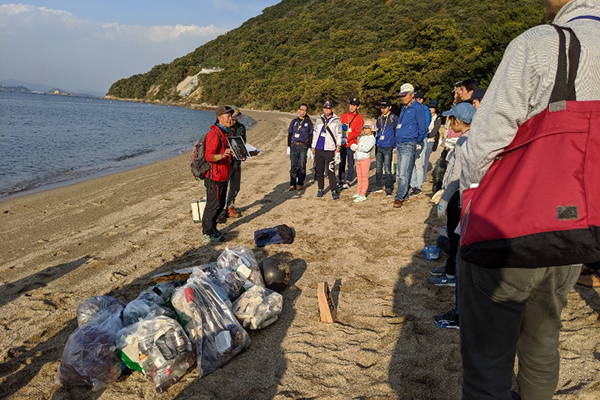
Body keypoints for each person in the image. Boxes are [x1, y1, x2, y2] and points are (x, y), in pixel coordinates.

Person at [458, 1, 600, 398]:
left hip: (512, 225)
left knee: (488, 358)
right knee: (543, 340)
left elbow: (484, 144)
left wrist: (467, 198)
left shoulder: (544, 42)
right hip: (577, 229)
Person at [202, 105, 235, 243]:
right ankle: (207, 233)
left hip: (222, 175)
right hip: (213, 177)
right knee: (213, 205)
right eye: (227, 116)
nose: (230, 118)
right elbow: (208, 156)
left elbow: (226, 153)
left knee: (220, 204)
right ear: (219, 117)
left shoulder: (225, 133)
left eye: (230, 115)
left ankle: (213, 229)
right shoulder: (214, 134)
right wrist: (222, 155)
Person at [393, 83, 427, 208]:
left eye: (405, 95)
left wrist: (416, 140)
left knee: (403, 172)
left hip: (409, 141)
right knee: (401, 171)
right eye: (401, 95)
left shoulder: (418, 108)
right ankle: (405, 194)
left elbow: (422, 127)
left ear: (412, 95)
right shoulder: (404, 107)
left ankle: (399, 197)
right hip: (400, 141)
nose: (402, 98)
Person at [218, 106, 249, 222]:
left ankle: (230, 207)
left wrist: (244, 154)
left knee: (235, 187)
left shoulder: (241, 128)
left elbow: (242, 143)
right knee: (222, 187)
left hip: (236, 162)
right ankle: (220, 211)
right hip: (225, 162)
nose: (233, 120)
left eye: (235, 117)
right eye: (231, 117)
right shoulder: (223, 128)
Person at [311, 100, 342, 200]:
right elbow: (315, 133)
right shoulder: (319, 119)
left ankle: (334, 190)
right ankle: (320, 188)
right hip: (319, 148)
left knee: (331, 171)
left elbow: (339, 134)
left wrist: (338, 147)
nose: (326, 110)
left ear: (332, 109)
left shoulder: (336, 120)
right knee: (319, 171)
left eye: (328, 108)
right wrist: (313, 146)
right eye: (325, 108)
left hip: (330, 149)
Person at [409, 92, 432, 196]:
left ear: (422, 100)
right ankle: (412, 184)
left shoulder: (425, 110)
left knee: (419, 163)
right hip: (412, 139)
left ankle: (418, 186)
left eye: (419, 98)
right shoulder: (412, 109)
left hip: (421, 139)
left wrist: (419, 138)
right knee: (412, 163)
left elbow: (424, 126)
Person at [338, 98, 364, 190]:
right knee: (341, 162)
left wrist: (348, 138)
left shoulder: (359, 118)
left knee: (350, 163)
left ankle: (348, 181)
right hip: (342, 143)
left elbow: (358, 131)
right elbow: (339, 128)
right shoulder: (343, 116)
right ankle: (340, 179)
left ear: (357, 107)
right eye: (351, 105)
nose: (352, 107)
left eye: (354, 105)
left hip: (351, 143)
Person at [373, 98, 397, 196]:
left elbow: (396, 131)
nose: (383, 109)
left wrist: (394, 145)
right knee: (378, 167)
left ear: (389, 107)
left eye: (385, 107)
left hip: (388, 146)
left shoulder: (393, 118)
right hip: (379, 145)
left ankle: (388, 187)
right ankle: (378, 185)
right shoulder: (379, 118)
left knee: (387, 168)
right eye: (381, 107)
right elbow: (378, 130)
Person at [287, 103, 313, 190]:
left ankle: (300, 183)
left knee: (302, 165)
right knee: (293, 165)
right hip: (294, 145)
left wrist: (309, 147)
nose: (303, 112)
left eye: (304, 110)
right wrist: (288, 146)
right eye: (301, 110)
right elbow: (290, 134)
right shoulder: (294, 122)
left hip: (303, 146)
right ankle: (292, 183)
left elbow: (310, 135)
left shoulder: (308, 123)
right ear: (298, 110)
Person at [351, 122, 376, 203]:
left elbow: (366, 148)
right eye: (364, 128)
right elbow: (360, 147)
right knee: (359, 176)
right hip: (358, 158)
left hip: (365, 159)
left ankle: (363, 194)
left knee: (364, 177)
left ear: (371, 129)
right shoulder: (362, 137)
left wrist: (357, 147)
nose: (365, 130)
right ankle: (358, 191)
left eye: (367, 128)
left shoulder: (372, 139)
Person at [422, 100, 442, 182]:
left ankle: (422, 178)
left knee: (425, 158)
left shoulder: (437, 118)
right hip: (423, 139)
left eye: (432, 107)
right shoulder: (425, 116)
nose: (430, 108)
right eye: (429, 107)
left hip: (430, 140)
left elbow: (435, 131)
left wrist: (426, 135)